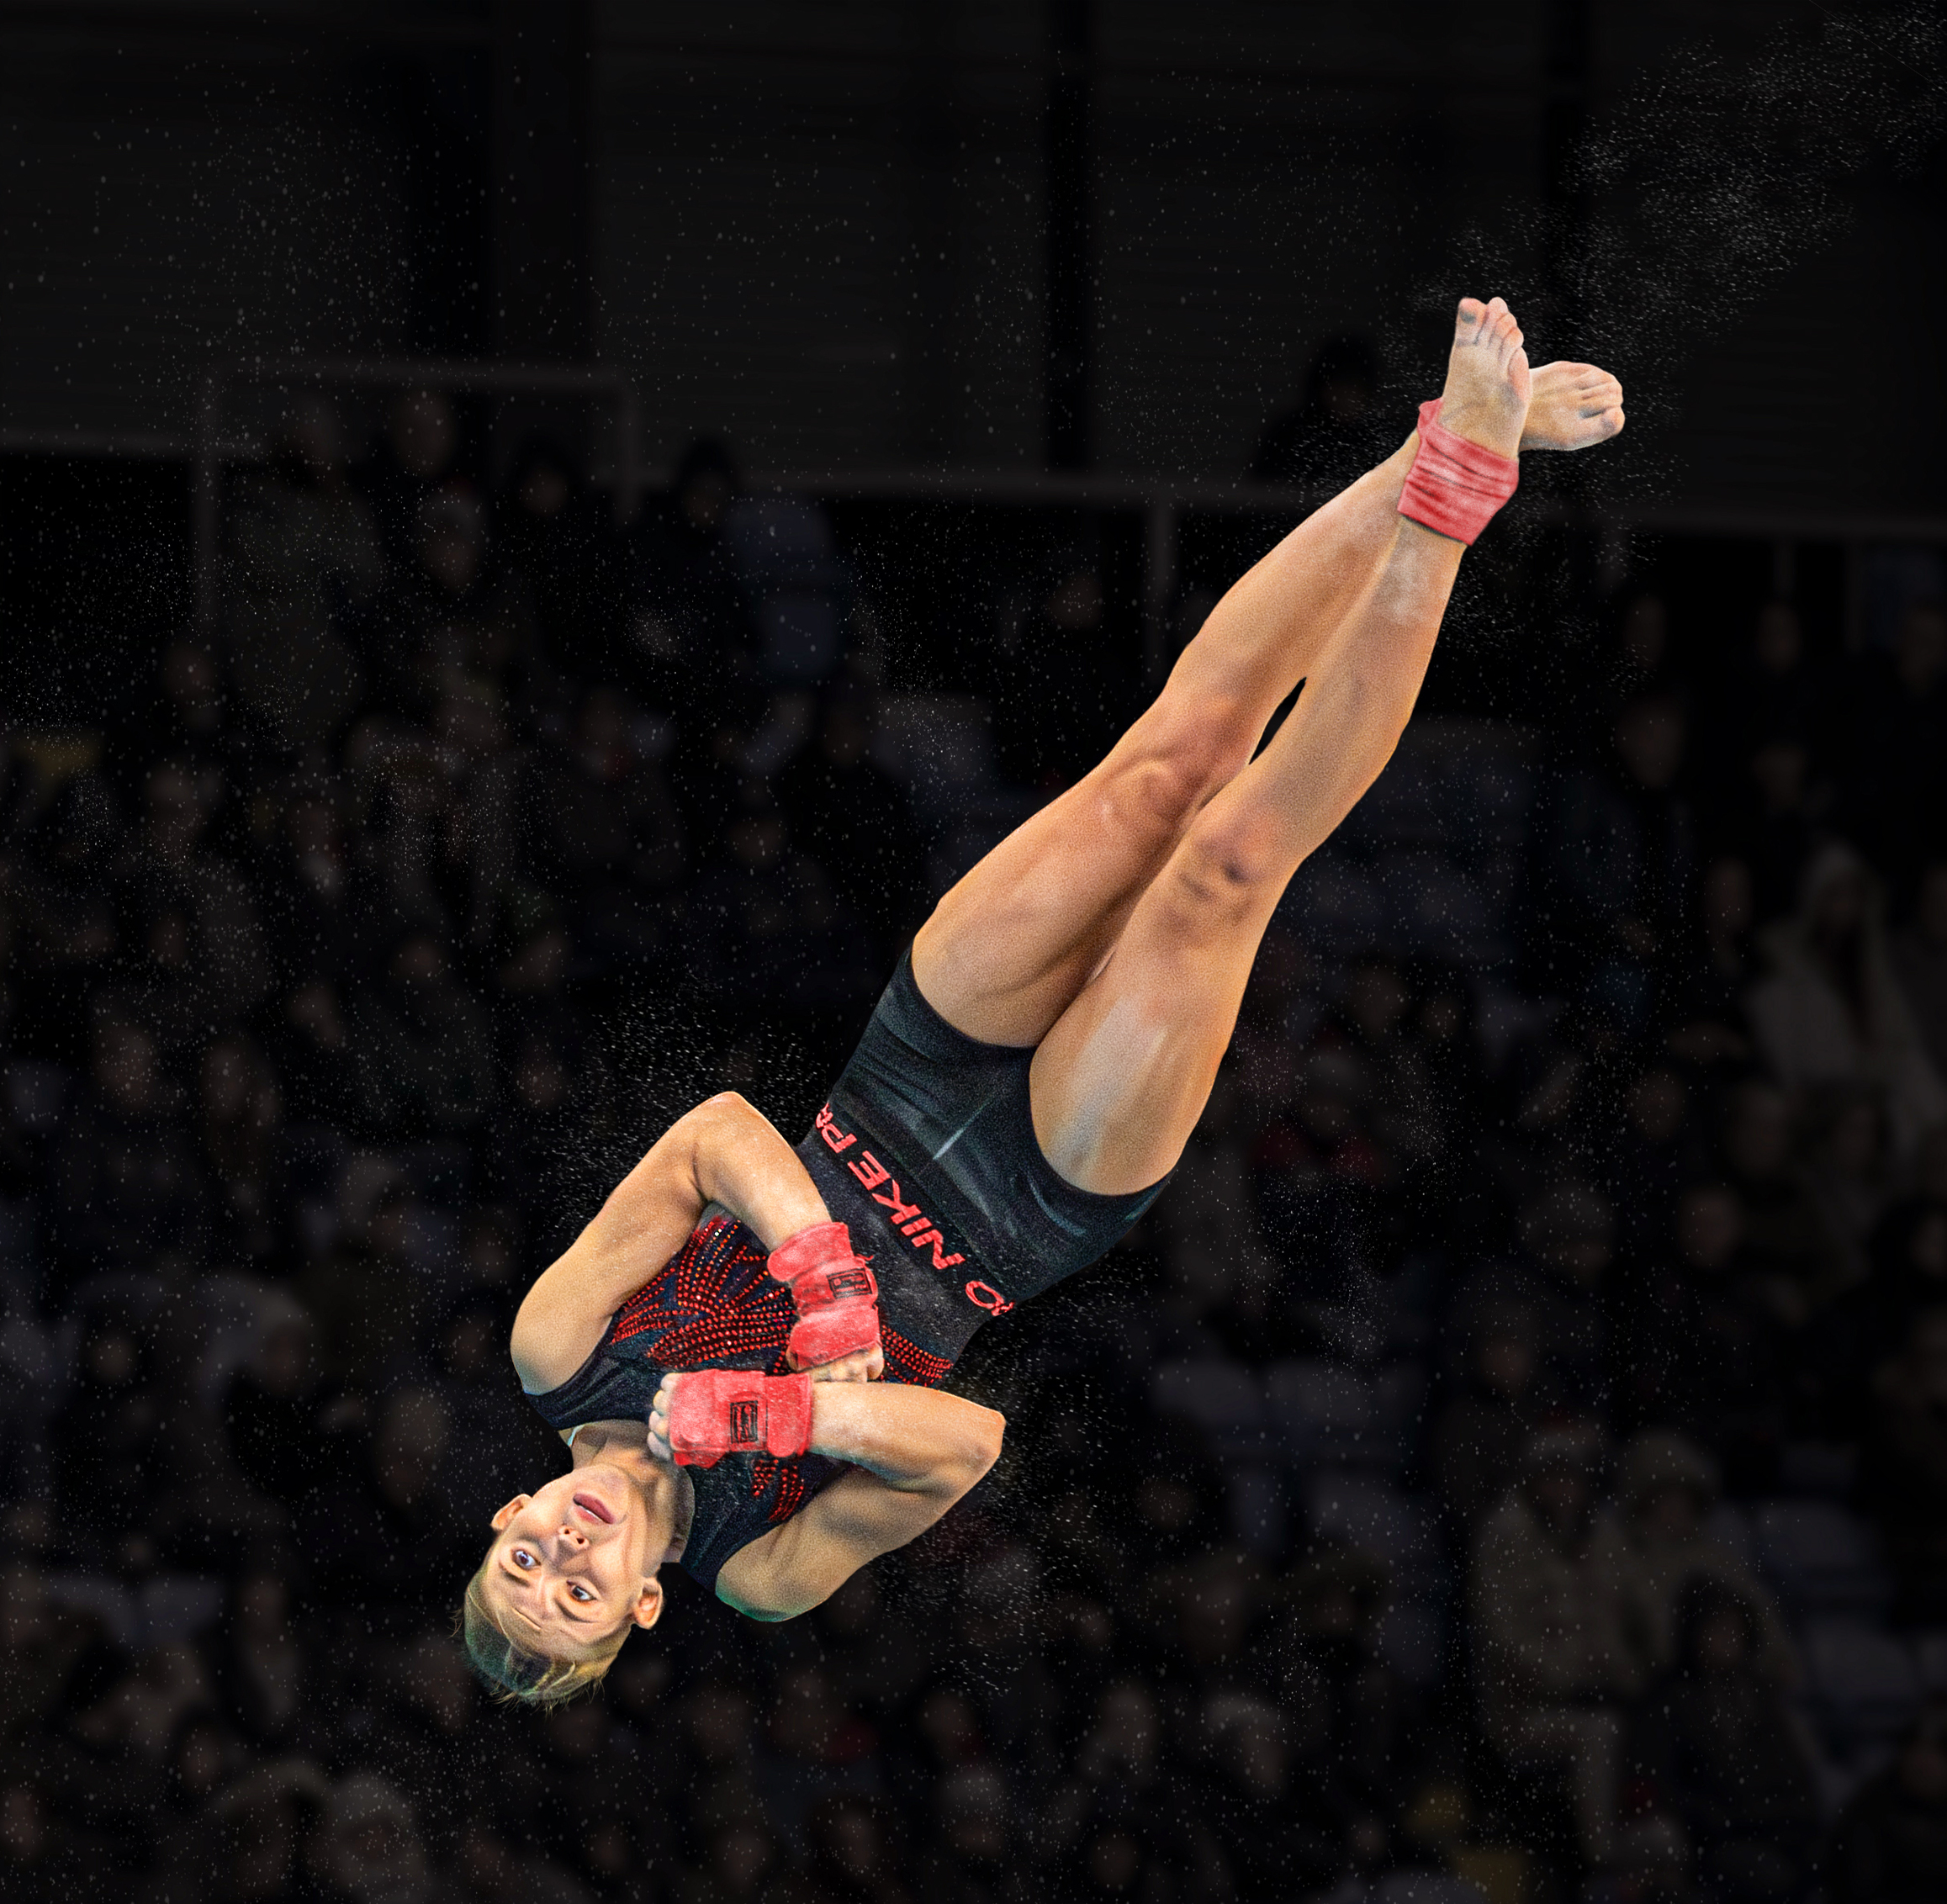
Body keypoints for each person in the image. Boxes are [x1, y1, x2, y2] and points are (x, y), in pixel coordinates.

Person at [466, 305, 1624, 1699]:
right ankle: (1453, 505)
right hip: (1024, 1210)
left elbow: (713, 1130)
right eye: (577, 1602)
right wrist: (781, 1410)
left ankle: (1439, 441)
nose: (562, 1561)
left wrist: (818, 1264)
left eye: (523, 1564)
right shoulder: (754, 1568)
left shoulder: (558, 1349)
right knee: (1227, 869)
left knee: (1167, 768)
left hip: (891, 1093)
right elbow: (965, 1450)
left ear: (506, 1519)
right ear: (642, 1609)